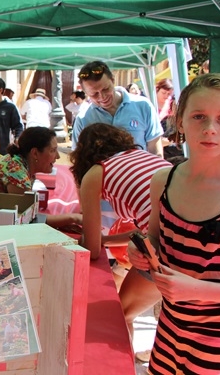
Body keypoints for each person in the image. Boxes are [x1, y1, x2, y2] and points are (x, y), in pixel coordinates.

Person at [128, 74, 220, 374]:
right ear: (179, 121)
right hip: (168, 332)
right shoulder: (163, 181)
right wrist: (141, 251)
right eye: (199, 116)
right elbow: (156, 238)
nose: (210, 129)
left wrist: (197, 289)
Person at [69, 123, 172, 349]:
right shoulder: (142, 156)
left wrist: (87, 239)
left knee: (121, 314)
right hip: (192, 240)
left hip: (167, 249)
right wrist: (106, 241)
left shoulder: (97, 172)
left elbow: (93, 250)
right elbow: (141, 231)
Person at [72, 60, 163, 156]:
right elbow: (79, 158)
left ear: (112, 80)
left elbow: (156, 151)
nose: (102, 97)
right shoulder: (83, 119)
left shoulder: (143, 106)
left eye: (106, 89)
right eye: (94, 94)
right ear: (85, 93)